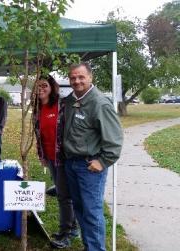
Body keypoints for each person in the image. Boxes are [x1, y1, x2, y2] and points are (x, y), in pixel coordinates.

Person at [63, 63, 123, 251]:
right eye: (73, 78)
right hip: (72, 163)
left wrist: (103, 162)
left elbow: (114, 139)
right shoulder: (71, 101)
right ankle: (89, 246)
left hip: (89, 167)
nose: (77, 81)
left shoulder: (99, 103)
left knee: (92, 212)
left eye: (81, 77)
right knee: (80, 210)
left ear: (91, 77)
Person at [33, 76, 77, 249]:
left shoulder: (62, 105)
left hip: (64, 157)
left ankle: (65, 233)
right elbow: (39, 134)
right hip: (49, 157)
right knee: (62, 192)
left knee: (64, 196)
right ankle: (73, 228)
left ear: (52, 87)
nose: (41, 89)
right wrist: (41, 155)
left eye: (44, 85)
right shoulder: (37, 108)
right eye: (37, 86)